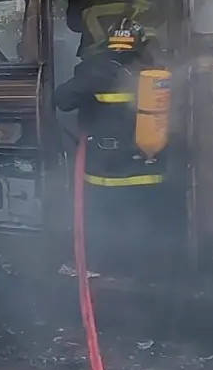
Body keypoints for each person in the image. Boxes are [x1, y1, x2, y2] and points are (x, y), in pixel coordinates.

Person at [54, 18, 166, 275]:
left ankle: (90, 265)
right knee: (145, 219)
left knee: (99, 215)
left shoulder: (98, 69)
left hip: (108, 168)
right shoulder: (156, 70)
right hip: (151, 163)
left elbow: (62, 99)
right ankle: (146, 270)